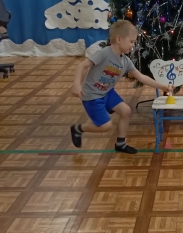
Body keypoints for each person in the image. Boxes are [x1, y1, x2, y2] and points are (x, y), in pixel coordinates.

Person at [69, 20, 173, 152]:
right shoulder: (104, 53)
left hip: (107, 92)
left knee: (126, 111)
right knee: (106, 126)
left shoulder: (125, 61)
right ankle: (78, 128)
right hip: (92, 95)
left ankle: (120, 144)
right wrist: (76, 84)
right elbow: (82, 65)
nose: (133, 45)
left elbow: (141, 77)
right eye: (131, 41)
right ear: (119, 39)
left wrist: (163, 86)